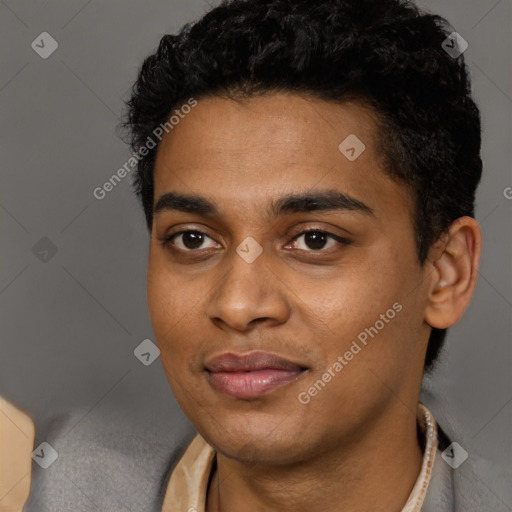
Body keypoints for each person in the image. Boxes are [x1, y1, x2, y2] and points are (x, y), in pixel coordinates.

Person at [3, 0, 509, 511]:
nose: (238, 305)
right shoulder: (57, 487)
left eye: (315, 239)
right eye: (193, 239)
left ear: (446, 273)